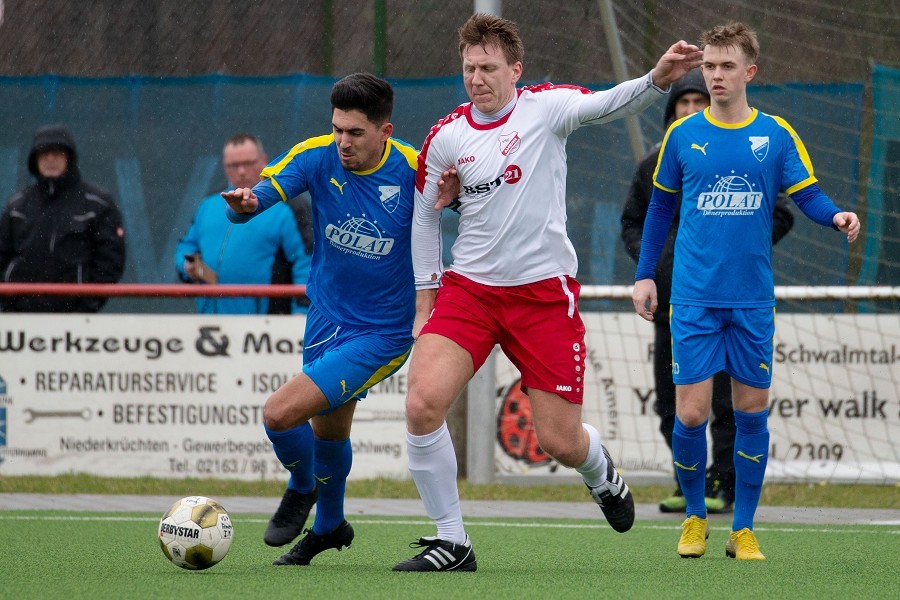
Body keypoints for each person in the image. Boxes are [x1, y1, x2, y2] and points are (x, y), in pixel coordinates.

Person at [393, 13, 703, 572]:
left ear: (516, 69)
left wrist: (656, 79)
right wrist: (425, 303)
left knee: (558, 441)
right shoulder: (446, 136)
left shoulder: (547, 107)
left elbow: (607, 103)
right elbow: (423, 219)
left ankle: (600, 473)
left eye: (488, 67)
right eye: (469, 68)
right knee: (421, 405)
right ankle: (452, 541)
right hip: (470, 294)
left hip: (542, 297)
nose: (477, 78)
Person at [631, 22, 860, 560]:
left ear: (749, 72)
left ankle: (744, 528)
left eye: (726, 66)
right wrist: (644, 275)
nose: (714, 75)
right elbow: (660, 207)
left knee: (752, 411)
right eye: (708, 65)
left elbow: (807, 194)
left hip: (752, 298)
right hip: (691, 297)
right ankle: (693, 519)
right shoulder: (681, 136)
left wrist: (837, 216)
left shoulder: (776, 134)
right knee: (690, 414)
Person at [221, 73, 425, 567]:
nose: (343, 142)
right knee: (329, 434)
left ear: (385, 130)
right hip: (326, 319)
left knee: (278, 414)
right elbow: (258, 198)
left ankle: (302, 485)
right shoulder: (315, 155)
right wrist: (244, 207)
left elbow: (471, 207)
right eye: (337, 129)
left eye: (355, 132)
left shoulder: (415, 169)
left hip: (383, 333)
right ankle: (330, 526)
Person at [620, 69, 795, 515]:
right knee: (675, 403)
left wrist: (738, 246)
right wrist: (656, 269)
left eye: (701, 101)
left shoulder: (748, 153)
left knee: (730, 404)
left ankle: (723, 485)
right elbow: (636, 221)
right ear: (672, 111)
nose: (694, 109)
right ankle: (687, 483)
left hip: (734, 297)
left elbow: (780, 212)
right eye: (685, 102)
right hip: (673, 304)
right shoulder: (657, 163)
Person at [174, 133, 312, 314]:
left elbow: (307, 263)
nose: (241, 171)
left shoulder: (289, 204)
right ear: (224, 166)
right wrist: (187, 266)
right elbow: (185, 247)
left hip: (267, 330)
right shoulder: (208, 205)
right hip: (211, 326)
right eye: (233, 165)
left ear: (264, 160)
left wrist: (301, 314)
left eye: (248, 163)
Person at [0, 123, 125, 312]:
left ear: (69, 158)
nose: (51, 159)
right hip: (20, 320)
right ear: (35, 160)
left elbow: (109, 263)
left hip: (75, 321)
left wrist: (86, 306)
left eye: (57, 152)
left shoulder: (97, 203)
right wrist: (10, 303)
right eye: (44, 153)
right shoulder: (17, 205)